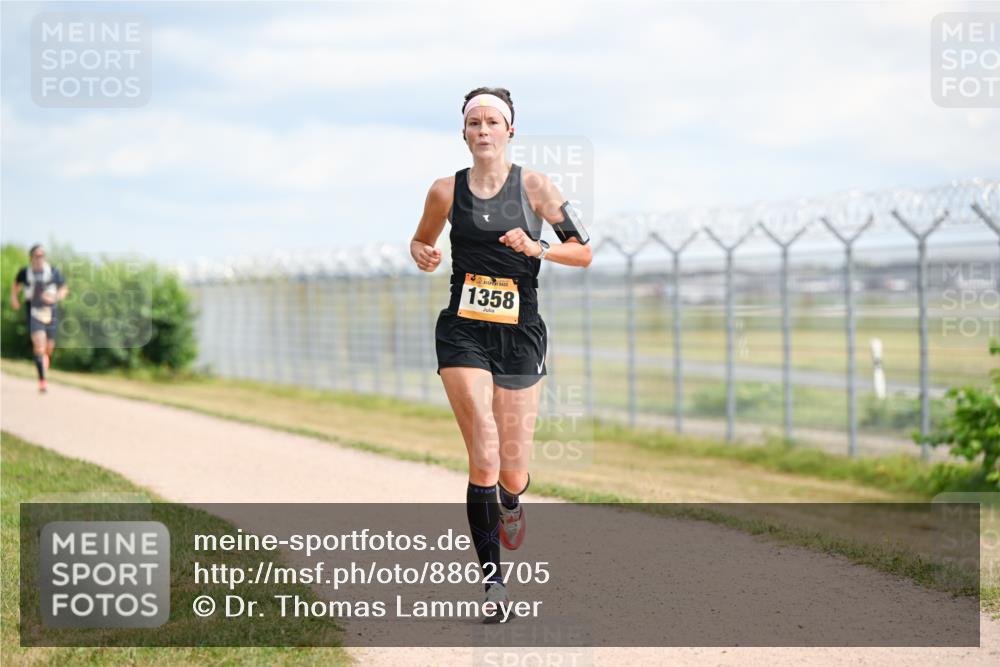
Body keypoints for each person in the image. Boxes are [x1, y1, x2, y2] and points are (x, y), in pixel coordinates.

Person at [410, 87, 591, 622]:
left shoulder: (535, 186)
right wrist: (423, 252)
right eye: (474, 122)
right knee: (483, 453)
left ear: (510, 130)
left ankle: (512, 500)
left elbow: (582, 251)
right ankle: (494, 587)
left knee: (512, 468)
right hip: (463, 329)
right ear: (463, 132)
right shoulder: (445, 191)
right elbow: (421, 241)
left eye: (493, 121)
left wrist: (537, 248)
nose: (483, 130)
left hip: (521, 330)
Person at [10, 244, 68, 393]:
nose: (39, 258)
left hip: (50, 310)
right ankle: (42, 381)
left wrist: (55, 296)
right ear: (31, 257)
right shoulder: (25, 272)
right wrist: (14, 299)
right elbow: (15, 285)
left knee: (49, 347)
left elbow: (64, 288)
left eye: (42, 255)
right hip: (33, 309)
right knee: (39, 344)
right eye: (37, 255)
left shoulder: (53, 271)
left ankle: (44, 358)